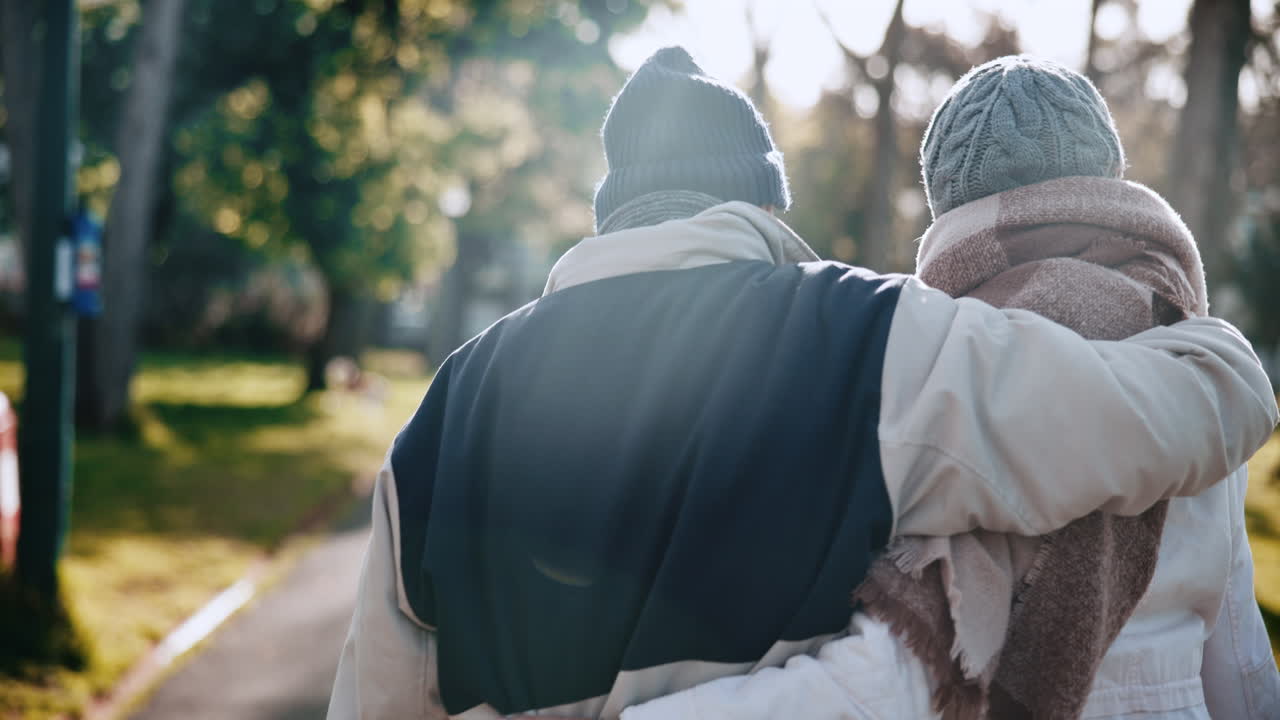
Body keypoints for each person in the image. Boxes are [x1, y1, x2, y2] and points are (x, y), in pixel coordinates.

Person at [325, 48, 1279, 720]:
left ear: (612, 211)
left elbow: (380, 697)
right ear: (759, 201)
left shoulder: (444, 413)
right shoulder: (858, 335)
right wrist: (1222, 356)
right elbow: (1145, 421)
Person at [620, 56, 1280, 720]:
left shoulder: (941, 373)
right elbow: (1238, 656)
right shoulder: (1183, 356)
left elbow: (878, 679)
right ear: (1106, 180)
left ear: (950, 209)